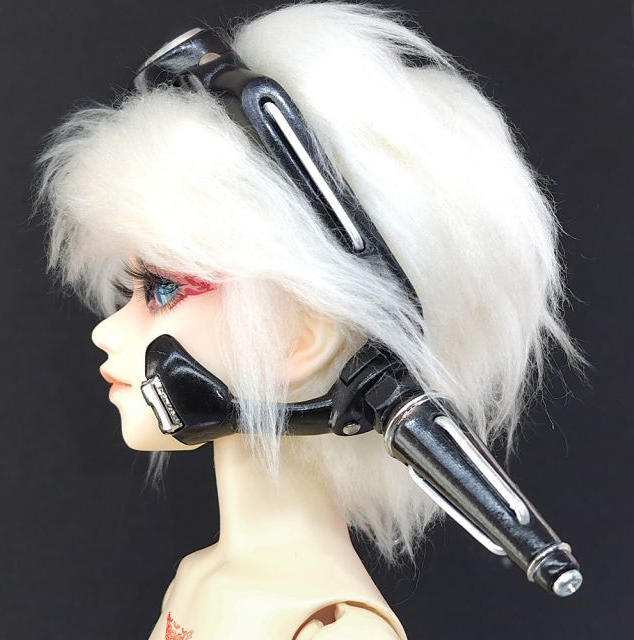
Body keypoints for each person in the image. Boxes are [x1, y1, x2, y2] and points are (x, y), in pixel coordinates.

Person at [34, 2, 582, 638]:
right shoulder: (202, 578)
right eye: (131, 289)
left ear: (304, 336)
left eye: (162, 289)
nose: (106, 330)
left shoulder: (335, 630)